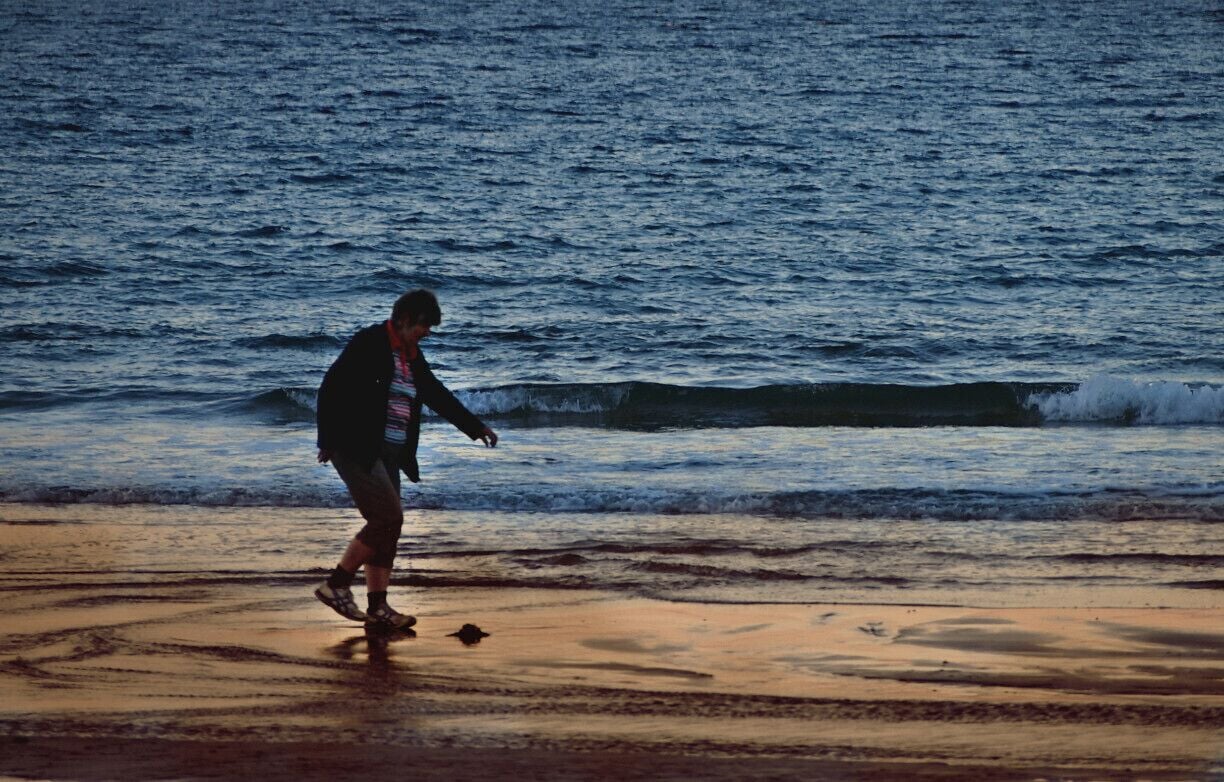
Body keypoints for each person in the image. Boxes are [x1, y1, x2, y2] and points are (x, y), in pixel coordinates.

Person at [314, 289, 497, 629]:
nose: (426, 332)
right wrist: (327, 438)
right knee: (387, 518)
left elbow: (437, 395)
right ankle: (336, 585)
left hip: (391, 453)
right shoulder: (369, 343)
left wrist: (476, 427)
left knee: (390, 527)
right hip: (357, 447)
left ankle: (378, 608)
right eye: (423, 325)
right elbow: (331, 387)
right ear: (404, 319)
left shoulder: (411, 356)